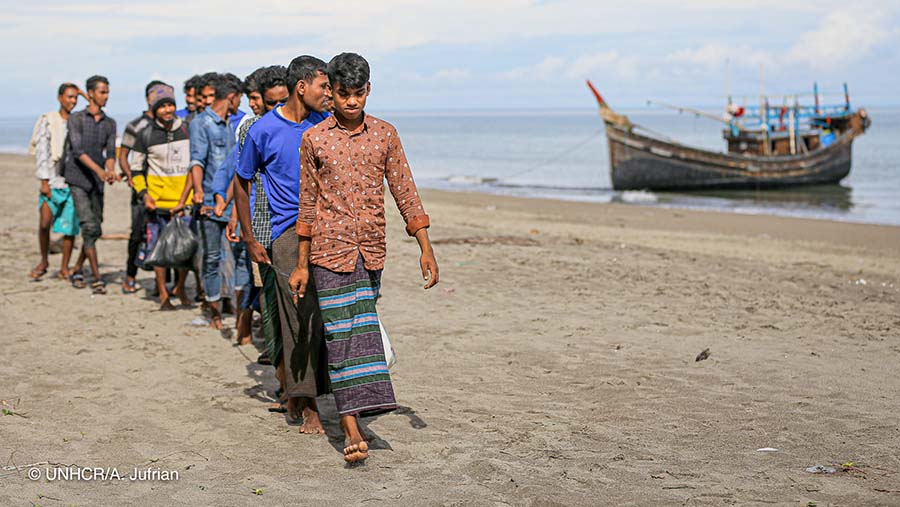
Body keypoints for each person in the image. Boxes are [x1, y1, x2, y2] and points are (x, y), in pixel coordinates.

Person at [291, 53, 439, 463]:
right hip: (327, 250)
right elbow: (308, 204)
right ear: (331, 94)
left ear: (368, 91)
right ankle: (351, 422)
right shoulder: (314, 139)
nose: (352, 102)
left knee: (363, 332)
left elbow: (405, 191)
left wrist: (425, 247)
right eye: (343, 94)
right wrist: (302, 263)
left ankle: (355, 408)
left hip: (371, 252)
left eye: (359, 94)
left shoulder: (386, 135)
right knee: (342, 334)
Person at [234, 57, 330, 431]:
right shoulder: (263, 130)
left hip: (327, 231)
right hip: (287, 235)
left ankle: (311, 393)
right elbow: (241, 182)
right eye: (324, 86)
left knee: (322, 319)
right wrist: (248, 236)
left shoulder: (324, 124)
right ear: (302, 86)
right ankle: (306, 404)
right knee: (295, 321)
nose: (329, 94)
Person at [179, 73, 242, 329]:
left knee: (237, 256)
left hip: (232, 201)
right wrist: (197, 193)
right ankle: (214, 310)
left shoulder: (228, 124)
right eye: (240, 98)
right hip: (208, 200)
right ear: (231, 96)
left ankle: (234, 307)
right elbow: (197, 160)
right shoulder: (201, 123)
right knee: (212, 257)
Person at [130, 83, 194, 310]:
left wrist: (187, 198)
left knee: (185, 249)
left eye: (170, 105)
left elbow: (195, 165)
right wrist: (144, 195)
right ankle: (164, 294)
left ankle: (181, 288)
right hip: (156, 203)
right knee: (158, 251)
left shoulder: (187, 129)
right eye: (162, 106)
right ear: (154, 109)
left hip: (183, 202)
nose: (167, 110)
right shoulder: (145, 135)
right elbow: (136, 170)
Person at [63, 75, 117, 294]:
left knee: (95, 228)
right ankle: (96, 277)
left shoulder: (110, 123)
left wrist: (110, 170)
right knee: (89, 226)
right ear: (91, 93)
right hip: (78, 179)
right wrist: (101, 170)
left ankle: (77, 268)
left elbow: (111, 152)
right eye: (102, 92)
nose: (106, 96)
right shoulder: (76, 119)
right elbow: (77, 151)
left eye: (107, 92)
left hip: (97, 182)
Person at [28, 83, 85, 280]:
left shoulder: (79, 121)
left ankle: (64, 267)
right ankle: (44, 260)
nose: (73, 101)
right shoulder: (49, 120)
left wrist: (84, 94)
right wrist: (44, 181)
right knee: (45, 223)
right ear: (60, 97)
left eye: (75, 98)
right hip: (52, 179)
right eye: (69, 97)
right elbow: (42, 151)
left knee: (69, 228)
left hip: (72, 180)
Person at [119, 80, 165, 294]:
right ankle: (130, 275)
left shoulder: (170, 124)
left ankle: (161, 283)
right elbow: (123, 155)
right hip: (141, 188)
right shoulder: (135, 125)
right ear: (148, 98)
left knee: (164, 235)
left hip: (164, 189)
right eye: (157, 95)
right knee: (137, 234)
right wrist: (131, 177)